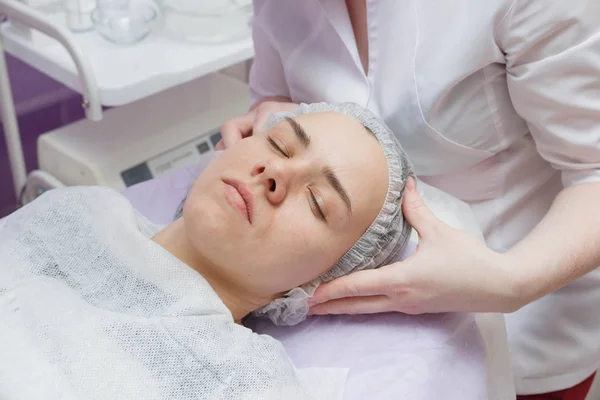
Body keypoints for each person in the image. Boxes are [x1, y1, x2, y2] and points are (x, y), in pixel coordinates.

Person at [217, 1, 600, 398]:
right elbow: (275, 94)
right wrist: (273, 121)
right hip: (334, 328)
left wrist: (512, 282)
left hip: (531, 313)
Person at [0, 103, 413, 399]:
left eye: (317, 203)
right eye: (281, 144)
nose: (275, 172)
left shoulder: (244, 383)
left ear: (320, 282)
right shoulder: (76, 212)